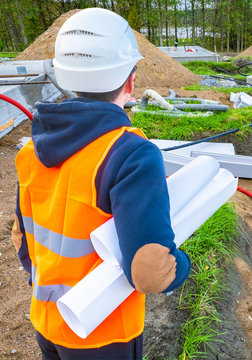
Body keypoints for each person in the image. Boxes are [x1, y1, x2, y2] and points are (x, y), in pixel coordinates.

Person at [12, 8, 190, 360]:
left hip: (48, 321)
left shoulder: (31, 150)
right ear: (130, 81)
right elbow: (149, 272)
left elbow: (21, 236)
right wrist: (181, 263)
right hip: (103, 336)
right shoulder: (131, 154)